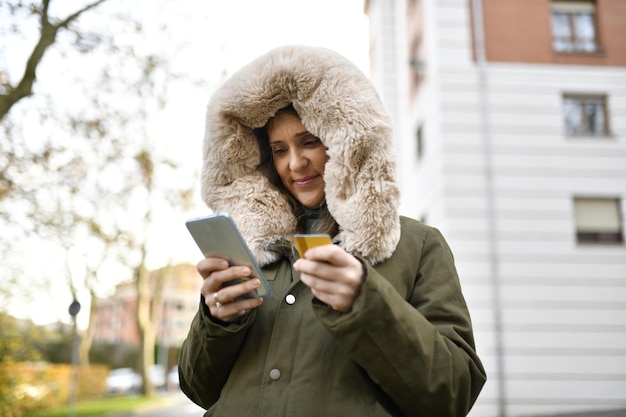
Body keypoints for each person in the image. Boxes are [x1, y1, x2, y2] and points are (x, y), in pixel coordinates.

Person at [178, 45, 486, 417]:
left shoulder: (418, 246)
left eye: (309, 141)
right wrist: (216, 320)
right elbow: (197, 388)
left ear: (348, 140)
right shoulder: (250, 255)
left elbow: (453, 392)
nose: (295, 163)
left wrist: (366, 302)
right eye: (279, 149)